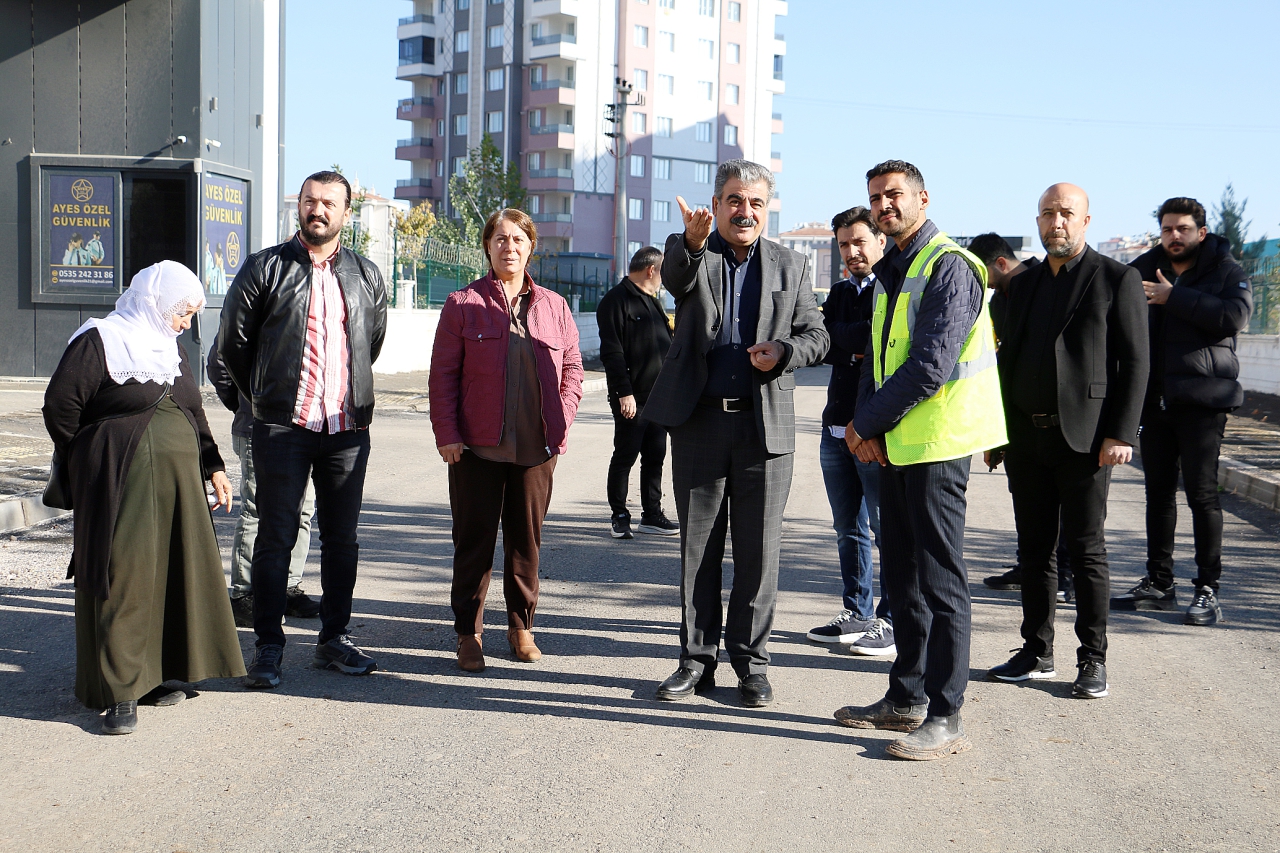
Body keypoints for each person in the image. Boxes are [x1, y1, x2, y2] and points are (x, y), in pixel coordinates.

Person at [834, 160, 1006, 761]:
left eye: (895, 195)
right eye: (876, 197)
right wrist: (868, 431)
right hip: (899, 446)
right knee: (902, 579)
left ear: (923, 199)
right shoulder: (892, 271)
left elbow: (930, 365)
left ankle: (946, 711)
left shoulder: (949, 266)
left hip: (936, 446)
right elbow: (878, 360)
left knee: (940, 581)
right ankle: (904, 696)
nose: (885, 205)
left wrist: (864, 424)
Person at [643, 159, 829, 708]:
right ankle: (695, 662)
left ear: (766, 209)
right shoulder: (696, 252)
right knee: (697, 550)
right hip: (701, 423)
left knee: (758, 553)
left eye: (754, 202)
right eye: (733, 200)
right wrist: (691, 243)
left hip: (764, 429)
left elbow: (817, 334)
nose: (744, 211)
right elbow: (675, 278)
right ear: (717, 205)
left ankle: (752, 664)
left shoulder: (792, 266)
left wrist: (787, 353)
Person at [42, 261, 245, 735]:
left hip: (176, 485)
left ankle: (149, 675)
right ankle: (118, 692)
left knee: (168, 575)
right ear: (157, 301)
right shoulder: (101, 339)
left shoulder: (169, 348)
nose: (187, 323)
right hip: (121, 480)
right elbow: (61, 407)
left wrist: (212, 464)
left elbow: (192, 409)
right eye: (183, 312)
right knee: (127, 578)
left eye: (192, 314)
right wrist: (93, 457)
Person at [219, 169, 388, 689]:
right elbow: (232, 348)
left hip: (345, 430)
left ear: (346, 211)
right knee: (275, 537)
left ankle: (333, 639)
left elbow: (371, 342)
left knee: (343, 541)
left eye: (329, 203)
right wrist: (265, 401)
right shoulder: (264, 268)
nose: (318, 210)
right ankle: (268, 645)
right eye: (310, 201)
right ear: (299, 206)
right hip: (281, 430)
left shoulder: (366, 274)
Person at [985, 184, 1149, 702]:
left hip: (1086, 441)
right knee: (1034, 552)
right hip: (1026, 437)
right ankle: (1037, 651)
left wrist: (1121, 432)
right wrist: (996, 430)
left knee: (1085, 550)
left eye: (1067, 214)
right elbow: (1006, 358)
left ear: (1086, 220)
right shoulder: (1023, 283)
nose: (1057, 222)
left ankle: (1092, 659)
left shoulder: (1116, 278)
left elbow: (1136, 362)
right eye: (1048, 213)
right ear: (1037, 220)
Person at [429, 208, 584, 673]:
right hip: (476, 447)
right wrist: (448, 435)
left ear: (531, 246)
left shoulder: (554, 306)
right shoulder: (463, 303)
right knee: (473, 542)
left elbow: (573, 367)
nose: (509, 246)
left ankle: (521, 628)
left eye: (517, 239)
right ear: (487, 247)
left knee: (526, 543)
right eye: (500, 239)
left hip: (537, 449)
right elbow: (443, 376)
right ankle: (468, 634)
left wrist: (563, 419)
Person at [1111, 197, 1252, 624]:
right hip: (1155, 402)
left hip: (1204, 404)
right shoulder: (1141, 270)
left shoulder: (1225, 270)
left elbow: (1235, 316)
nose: (1174, 236)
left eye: (1183, 229)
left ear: (1201, 233)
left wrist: (1175, 298)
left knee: (1202, 495)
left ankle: (1208, 589)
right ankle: (1159, 582)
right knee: (1157, 495)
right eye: (1168, 229)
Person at [806, 205, 895, 656]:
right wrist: (849, 342)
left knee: (887, 529)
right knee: (848, 529)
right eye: (843, 244)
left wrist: (846, 340)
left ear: (882, 240)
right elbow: (822, 341)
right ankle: (856, 612)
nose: (851, 251)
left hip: (874, 431)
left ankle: (891, 619)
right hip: (834, 427)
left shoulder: (893, 288)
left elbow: (868, 340)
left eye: (860, 241)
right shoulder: (841, 290)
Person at [967, 233, 1073, 602]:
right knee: (1027, 502)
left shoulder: (1045, 284)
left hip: (1059, 418)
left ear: (999, 263)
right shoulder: (998, 300)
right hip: (1015, 416)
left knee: (1062, 505)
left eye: (981, 271)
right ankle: (1028, 566)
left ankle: (1066, 574)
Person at [206, 338, 319, 628]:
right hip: (257, 427)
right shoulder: (254, 299)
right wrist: (246, 402)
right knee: (257, 511)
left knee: (302, 511)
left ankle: (288, 585)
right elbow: (219, 362)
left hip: (305, 428)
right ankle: (244, 594)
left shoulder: (315, 302)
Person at [596, 245, 678, 539]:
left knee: (655, 457)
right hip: (632, 399)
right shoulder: (615, 302)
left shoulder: (653, 302)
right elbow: (612, 353)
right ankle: (619, 515)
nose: (664, 279)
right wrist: (623, 394)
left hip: (658, 399)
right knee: (625, 456)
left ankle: (652, 515)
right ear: (651, 270)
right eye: (663, 272)